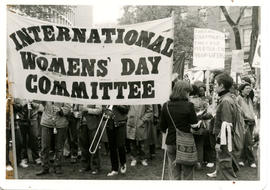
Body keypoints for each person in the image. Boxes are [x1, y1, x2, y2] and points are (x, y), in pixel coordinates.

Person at [159, 80, 198, 180]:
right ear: (184, 92)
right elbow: (195, 126)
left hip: (171, 141)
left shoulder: (166, 105)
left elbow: (162, 127)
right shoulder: (189, 106)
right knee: (188, 174)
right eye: (188, 92)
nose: (189, 94)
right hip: (186, 143)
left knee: (174, 174)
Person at [212, 73, 240, 180]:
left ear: (222, 86)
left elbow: (226, 125)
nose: (214, 86)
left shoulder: (226, 101)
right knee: (222, 166)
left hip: (224, 139)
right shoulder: (226, 98)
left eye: (215, 84)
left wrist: (219, 142)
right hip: (224, 138)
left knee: (225, 166)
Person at [36, 101, 71, 175]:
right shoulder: (46, 91)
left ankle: (57, 166)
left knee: (59, 147)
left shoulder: (65, 92)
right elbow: (38, 99)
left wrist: (61, 110)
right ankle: (45, 167)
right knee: (45, 146)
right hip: (47, 122)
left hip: (60, 123)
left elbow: (68, 107)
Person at [78, 104, 102, 174]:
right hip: (82, 124)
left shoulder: (95, 96)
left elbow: (99, 110)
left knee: (94, 145)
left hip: (93, 124)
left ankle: (96, 167)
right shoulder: (81, 97)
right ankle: (85, 165)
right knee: (84, 146)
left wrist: (87, 110)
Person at [237, 83, 257, 168]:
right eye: (247, 88)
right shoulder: (238, 98)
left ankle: (242, 159)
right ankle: (251, 161)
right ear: (242, 90)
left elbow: (252, 110)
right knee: (249, 141)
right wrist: (244, 119)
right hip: (244, 122)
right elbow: (238, 111)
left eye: (250, 88)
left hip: (251, 121)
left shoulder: (249, 98)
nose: (249, 90)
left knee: (246, 141)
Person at [106, 105, 130, 176]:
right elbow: (104, 108)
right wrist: (107, 112)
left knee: (121, 145)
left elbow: (126, 109)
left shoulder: (122, 97)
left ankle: (123, 163)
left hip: (120, 124)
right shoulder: (107, 97)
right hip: (110, 124)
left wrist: (117, 105)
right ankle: (114, 169)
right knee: (112, 148)